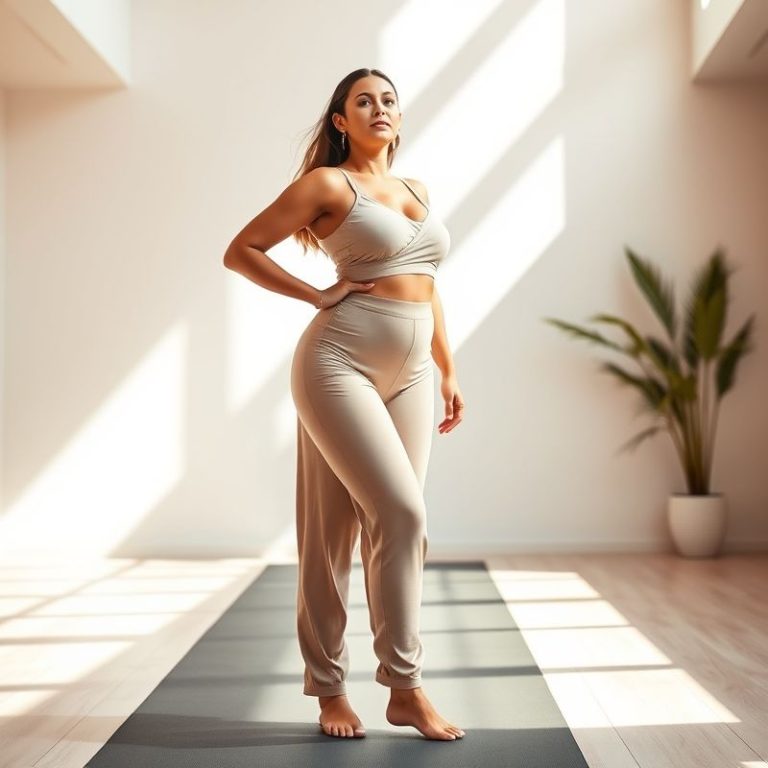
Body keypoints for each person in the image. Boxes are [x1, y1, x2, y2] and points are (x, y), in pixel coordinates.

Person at [223, 68, 466, 741]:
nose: (379, 108)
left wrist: (448, 369)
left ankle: (384, 687)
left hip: (413, 373)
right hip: (339, 364)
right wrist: (315, 295)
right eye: (364, 101)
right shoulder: (330, 185)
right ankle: (375, 688)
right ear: (341, 120)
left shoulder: (416, 189)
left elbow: (428, 283)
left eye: (388, 99)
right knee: (368, 521)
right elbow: (239, 250)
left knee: (392, 526)